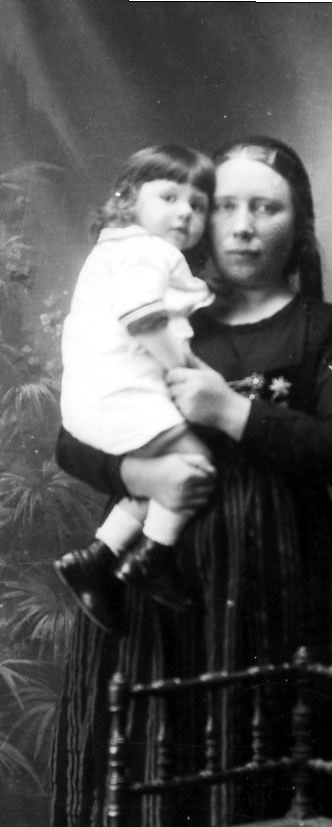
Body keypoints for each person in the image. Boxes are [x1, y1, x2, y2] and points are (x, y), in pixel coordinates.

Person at [50, 136, 332, 827]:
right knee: (148, 780)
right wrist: (137, 472)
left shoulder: (327, 331)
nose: (240, 225)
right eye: (224, 204)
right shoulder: (155, 308)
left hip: (272, 592)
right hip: (149, 597)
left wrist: (233, 413)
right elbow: (72, 435)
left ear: (299, 222)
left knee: (258, 777)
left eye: (265, 207)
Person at [55, 145, 218, 627]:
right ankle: (153, 556)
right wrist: (183, 368)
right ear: (128, 199)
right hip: (120, 398)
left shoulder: (115, 249)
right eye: (169, 197)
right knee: (194, 463)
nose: (185, 212)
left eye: (198, 205)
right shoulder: (149, 250)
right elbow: (142, 319)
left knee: (160, 471)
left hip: (92, 402)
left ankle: (97, 557)